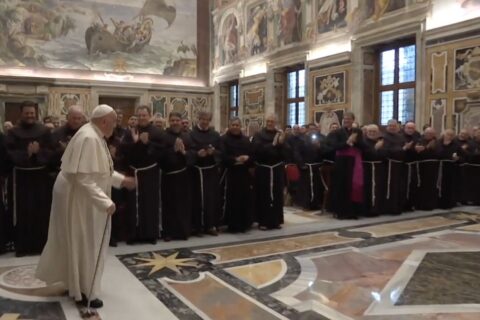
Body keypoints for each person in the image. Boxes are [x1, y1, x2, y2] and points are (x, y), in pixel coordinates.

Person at [36, 104, 136, 309]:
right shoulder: (89, 137)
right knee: (86, 241)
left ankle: (76, 284)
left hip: (78, 195)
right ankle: (85, 289)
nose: (116, 126)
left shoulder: (93, 133)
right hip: (79, 198)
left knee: (77, 241)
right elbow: (84, 177)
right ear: (104, 121)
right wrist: (105, 202)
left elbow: (99, 171)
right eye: (114, 121)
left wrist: (121, 180)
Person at [5, 101, 53, 256]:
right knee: (22, 211)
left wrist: (39, 153)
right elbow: (8, 153)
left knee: (41, 210)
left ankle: (40, 245)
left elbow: (52, 151)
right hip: (21, 178)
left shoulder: (44, 131)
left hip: (40, 177)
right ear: (22, 114)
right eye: (27, 113)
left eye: (32, 113)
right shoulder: (13, 133)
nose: (30, 116)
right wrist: (27, 154)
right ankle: (22, 247)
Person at [124, 106, 162, 244]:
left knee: (149, 204)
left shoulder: (157, 132)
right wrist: (135, 143)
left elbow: (161, 152)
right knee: (133, 204)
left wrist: (147, 143)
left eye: (144, 115)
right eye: (139, 115)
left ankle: (150, 234)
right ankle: (133, 235)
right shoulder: (130, 132)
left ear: (149, 116)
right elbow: (125, 150)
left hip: (150, 172)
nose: (141, 118)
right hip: (134, 172)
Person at [159, 112, 194, 241]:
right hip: (169, 177)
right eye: (172, 120)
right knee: (169, 205)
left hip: (184, 176)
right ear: (169, 121)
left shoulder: (187, 137)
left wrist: (184, 152)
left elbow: (193, 154)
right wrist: (173, 150)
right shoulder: (163, 136)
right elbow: (160, 156)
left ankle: (183, 231)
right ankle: (169, 232)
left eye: (177, 120)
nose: (175, 122)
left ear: (181, 121)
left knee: (183, 205)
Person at [326, 112, 365, 219]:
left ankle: (353, 212)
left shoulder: (358, 131)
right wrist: (347, 142)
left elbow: (362, 145)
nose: (346, 120)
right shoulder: (337, 132)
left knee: (354, 186)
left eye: (349, 119)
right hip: (342, 162)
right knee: (342, 186)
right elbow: (334, 146)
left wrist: (356, 142)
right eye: (345, 118)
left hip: (354, 162)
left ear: (353, 120)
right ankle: (341, 212)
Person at [252, 114, 288, 230]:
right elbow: (257, 150)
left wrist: (282, 143)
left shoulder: (279, 134)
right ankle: (263, 221)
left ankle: (276, 221)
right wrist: (272, 144)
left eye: (272, 121)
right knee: (264, 195)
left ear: (276, 123)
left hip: (277, 169)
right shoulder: (259, 135)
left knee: (277, 195)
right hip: (263, 169)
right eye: (268, 121)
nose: (270, 123)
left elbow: (286, 153)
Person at [190, 111, 222, 236]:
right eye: (202, 119)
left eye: (207, 119)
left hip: (211, 171)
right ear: (198, 119)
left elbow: (221, 151)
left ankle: (210, 225)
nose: (204, 122)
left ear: (210, 120)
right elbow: (189, 151)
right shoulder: (191, 134)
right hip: (197, 172)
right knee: (197, 199)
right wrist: (197, 154)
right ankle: (197, 227)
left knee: (211, 199)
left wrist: (213, 153)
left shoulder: (215, 135)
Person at [220, 117, 254, 232]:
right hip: (230, 174)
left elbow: (252, 156)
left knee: (245, 199)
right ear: (229, 126)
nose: (235, 127)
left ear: (240, 126)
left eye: (237, 125)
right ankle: (232, 224)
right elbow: (222, 156)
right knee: (232, 200)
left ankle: (245, 223)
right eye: (233, 125)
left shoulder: (245, 140)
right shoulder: (224, 139)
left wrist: (248, 158)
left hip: (244, 174)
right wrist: (236, 159)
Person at [294, 123, 325, 210]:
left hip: (316, 167)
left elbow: (323, 153)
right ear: (307, 130)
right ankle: (306, 204)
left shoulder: (319, 140)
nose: (312, 131)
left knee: (316, 187)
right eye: (310, 129)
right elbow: (297, 153)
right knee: (306, 187)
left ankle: (316, 203)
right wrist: (301, 164)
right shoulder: (301, 140)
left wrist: (319, 147)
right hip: (306, 167)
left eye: (314, 129)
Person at [382, 119, 407, 215]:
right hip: (389, 166)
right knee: (390, 187)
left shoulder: (401, 137)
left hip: (400, 165)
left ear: (398, 127)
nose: (392, 127)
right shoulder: (384, 137)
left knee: (399, 187)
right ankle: (389, 208)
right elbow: (387, 150)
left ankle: (398, 207)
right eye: (390, 126)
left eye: (394, 126)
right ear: (387, 127)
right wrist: (401, 149)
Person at [51, 106, 86, 170]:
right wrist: (62, 151)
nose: (76, 121)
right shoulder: (57, 133)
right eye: (74, 118)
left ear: (82, 119)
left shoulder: (86, 133)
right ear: (67, 117)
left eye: (79, 118)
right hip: (61, 170)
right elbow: (50, 156)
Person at [362, 124, 387, 217]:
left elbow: (385, 154)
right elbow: (366, 154)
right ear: (366, 133)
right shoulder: (363, 142)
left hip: (379, 168)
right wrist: (375, 148)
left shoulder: (381, 142)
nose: (372, 133)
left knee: (378, 188)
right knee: (367, 189)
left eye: (374, 132)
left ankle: (377, 208)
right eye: (370, 131)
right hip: (367, 168)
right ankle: (367, 210)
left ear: (378, 133)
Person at [414, 127, 439, 210]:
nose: (429, 135)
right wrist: (427, 148)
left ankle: (432, 204)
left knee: (433, 185)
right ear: (424, 133)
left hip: (434, 167)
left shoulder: (437, 142)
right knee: (423, 185)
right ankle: (421, 204)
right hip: (423, 167)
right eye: (428, 133)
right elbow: (419, 153)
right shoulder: (419, 141)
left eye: (431, 134)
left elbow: (441, 152)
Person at [436, 129, 460, 209]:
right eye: (447, 134)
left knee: (449, 186)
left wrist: (458, 158)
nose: (449, 136)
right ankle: (438, 202)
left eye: (451, 135)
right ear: (443, 134)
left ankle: (448, 203)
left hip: (451, 168)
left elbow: (464, 155)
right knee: (439, 185)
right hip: (439, 167)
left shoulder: (456, 145)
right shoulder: (438, 143)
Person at [401, 121, 421, 210]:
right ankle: (403, 204)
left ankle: (411, 204)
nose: (410, 130)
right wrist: (405, 148)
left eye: (412, 128)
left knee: (413, 185)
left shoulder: (417, 137)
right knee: (403, 186)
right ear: (405, 128)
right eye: (408, 128)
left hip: (413, 165)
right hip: (403, 166)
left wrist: (419, 150)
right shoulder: (400, 137)